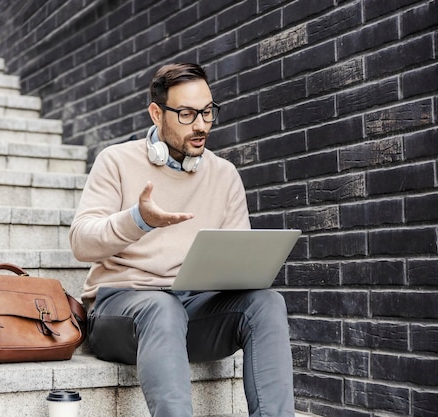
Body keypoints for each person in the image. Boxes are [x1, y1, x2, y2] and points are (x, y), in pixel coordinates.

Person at [69, 63, 295, 417]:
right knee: (162, 308)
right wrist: (138, 220)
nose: (202, 125)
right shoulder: (115, 161)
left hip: (191, 312)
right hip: (120, 313)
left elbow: (237, 260)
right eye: (187, 114)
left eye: (207, 112)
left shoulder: (224, 175)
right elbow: (81, 242)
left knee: (266, 303)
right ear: (156, 114)